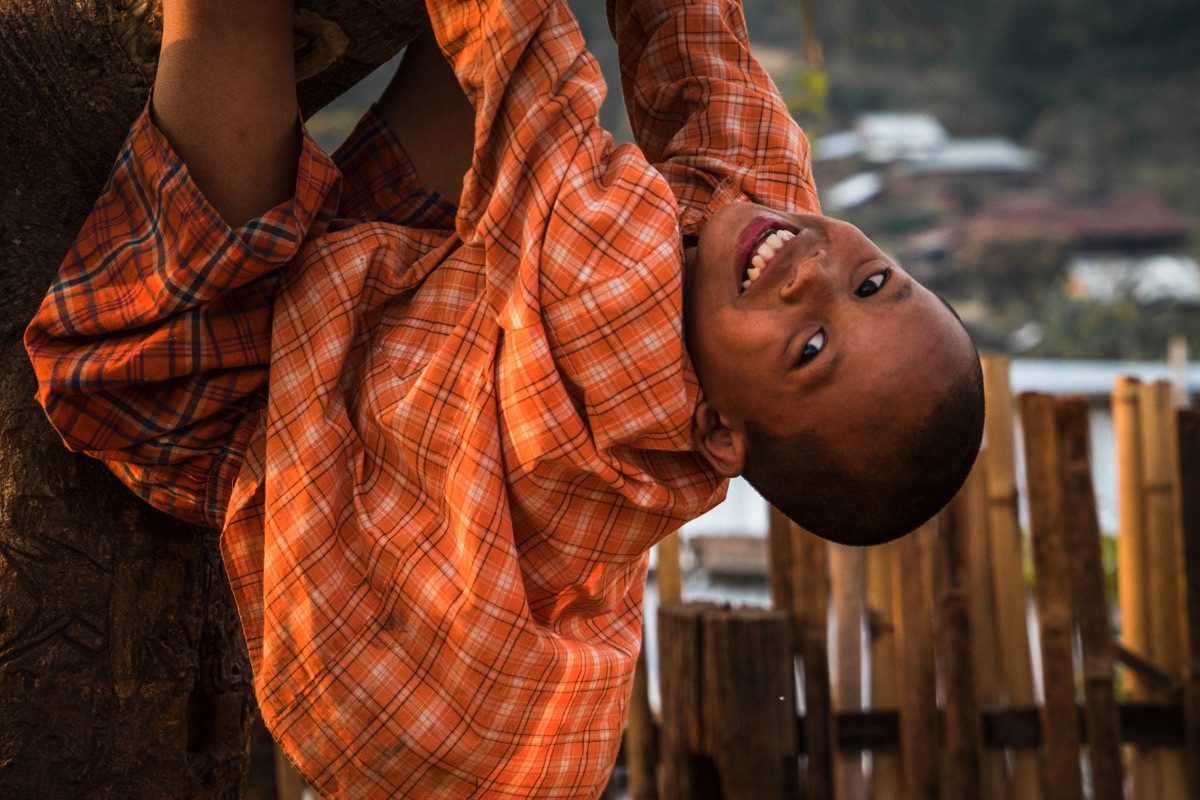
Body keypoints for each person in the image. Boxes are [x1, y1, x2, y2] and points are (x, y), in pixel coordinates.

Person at [24, 0, 983, 796]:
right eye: (874, 285)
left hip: (226, 408)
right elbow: (702, 52)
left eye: (811, 348)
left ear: (724, 435)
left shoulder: (619, 301)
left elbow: (526, 59)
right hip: (390, 345)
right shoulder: (771, 238)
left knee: (240, 17)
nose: (813, 274)